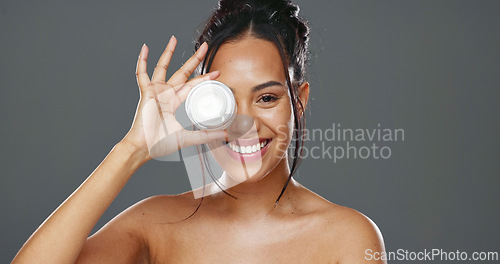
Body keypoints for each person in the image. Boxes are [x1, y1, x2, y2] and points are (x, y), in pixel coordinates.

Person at [13, 0, 386, 263]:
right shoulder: (157, 225)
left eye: (267, 98)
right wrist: (132, 149)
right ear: (201, 103)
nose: (245, 124)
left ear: (299, 101)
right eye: (224, 99)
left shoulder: (346, 237)